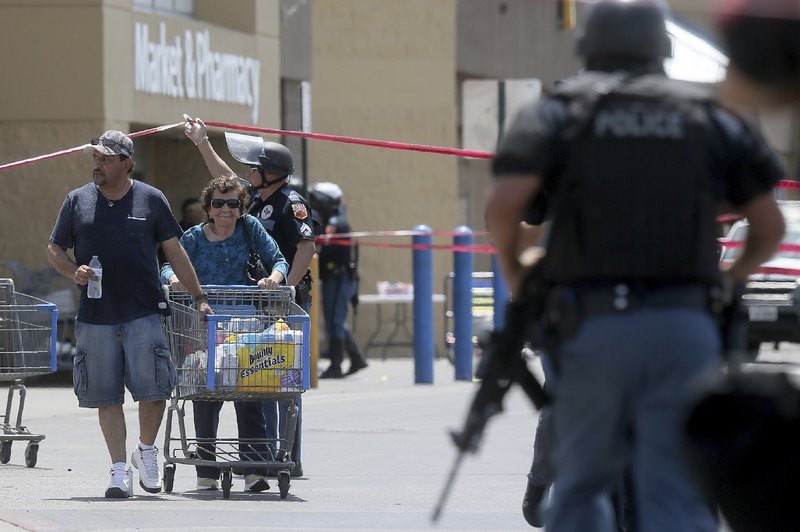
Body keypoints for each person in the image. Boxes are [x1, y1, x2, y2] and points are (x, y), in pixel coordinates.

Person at [485, 1, 787, 531]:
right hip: (683, 326)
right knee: (679, 484)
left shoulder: (559, 110)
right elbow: (769, 227)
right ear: (662, 49)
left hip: (590, 325)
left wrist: (516, 274)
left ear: (587, 47)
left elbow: (506, 206)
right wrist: (727, 280)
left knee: (582, 484)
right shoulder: (709, 113)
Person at [47, 130, 213, 499]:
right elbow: (54, 248)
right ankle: (118, 469)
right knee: (106, 397)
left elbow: (176, 253)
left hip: (143, 312)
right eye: (96, 158)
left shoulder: (151, 200)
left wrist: (199, 296)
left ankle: (147, 452)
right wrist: (72, 269)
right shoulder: (77, 201)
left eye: (106, 159)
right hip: (96, 315)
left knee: (153, 390)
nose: (97, 164)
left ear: (127, 164)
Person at [183, 115, 314, 477]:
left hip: (283, 300)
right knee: (253, 379)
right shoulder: (251, 202)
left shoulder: (291, 202)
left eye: (255, 169)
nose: (227, 210)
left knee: (279, 381)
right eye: (220, 205)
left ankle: (285, 458)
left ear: (270, 173)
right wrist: (202, 142)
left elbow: (304, 248)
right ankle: (260, 460)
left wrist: (283, 290)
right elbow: (225, 178)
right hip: (253, 304)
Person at [161, 175, 289, 492]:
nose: (226, 210)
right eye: (218, 204)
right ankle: (206, 470)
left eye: (233, 204)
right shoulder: (191, 238)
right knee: (205, 396)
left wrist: (273, 277)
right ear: (208, 207)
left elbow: (279, 261)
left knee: (249, 394)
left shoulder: (250, 230)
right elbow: (167, 265)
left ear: (242, 207)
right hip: (202, 326)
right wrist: (173, 278)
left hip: (246, 328)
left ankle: (255, 470)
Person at [309, 182, 368, 378]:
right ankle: (357, 358)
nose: (314, 203)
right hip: (335, 277)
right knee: (336, 320)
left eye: (318, 200)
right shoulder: (330, 219)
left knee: (335, 319)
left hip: (339, 277)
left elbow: (323, 249)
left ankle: (336, 365)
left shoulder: (335, 223)